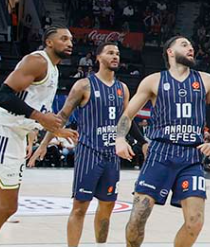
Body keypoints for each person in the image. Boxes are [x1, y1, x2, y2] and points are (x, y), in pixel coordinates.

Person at [114, 35, 210, 247]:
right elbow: (127, 116)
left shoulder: (206, 80)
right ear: (170, 52)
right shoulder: (154, 80)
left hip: (191, 157)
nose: (191, 48)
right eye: (184, 44)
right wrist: (119, 138)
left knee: (195, 222)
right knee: (138, 216)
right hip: (160, 154)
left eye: (192, 45)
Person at [28, 41, 143, 247]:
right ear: (98, 58)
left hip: (111, 156)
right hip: (89, 153)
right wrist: (45, 143)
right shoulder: (84, 85)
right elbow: (62, 117)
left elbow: (127, 120)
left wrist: (142, 142)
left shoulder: (122, 89)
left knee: (107, 206)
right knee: (80, 207)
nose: (115, 56)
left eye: (117, 53)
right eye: (110, 53)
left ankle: (101, 245)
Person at [0, 28, 78, 247]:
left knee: (2, 205)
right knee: (7, 206)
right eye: (64, 39)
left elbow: (35, 109)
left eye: (72, 40)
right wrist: (40, 117)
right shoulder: (37, 61)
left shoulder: (53, 68)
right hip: (2, 130)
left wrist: (57, 131)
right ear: (49, 42)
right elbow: (2, 95)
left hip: (15, 134)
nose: (70, 43)